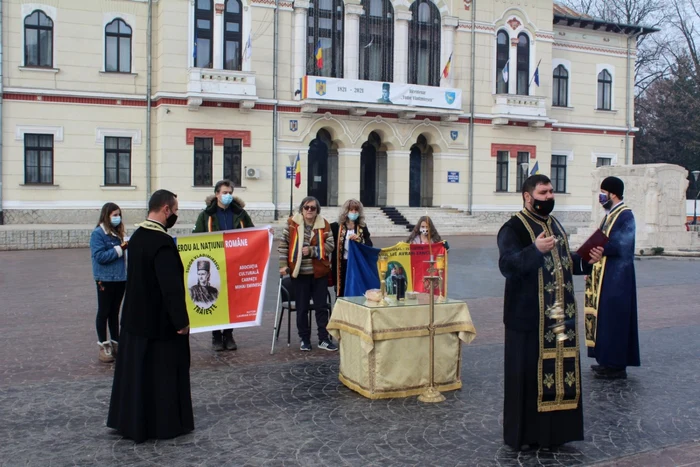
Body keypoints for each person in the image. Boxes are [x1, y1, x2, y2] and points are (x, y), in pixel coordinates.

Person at [497, 174, 604, 451]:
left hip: (559, 317)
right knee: (528, 379)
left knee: (560, 376)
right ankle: (528, 436)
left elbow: (564, 261)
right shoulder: (513, 228)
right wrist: (534, 250)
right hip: (528, 319)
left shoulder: (554, 224)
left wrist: (586, 261)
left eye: (551, 192)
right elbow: (507, 266)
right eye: (543, 192)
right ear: (527, 196)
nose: (549, 197)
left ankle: (556, 434)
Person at [107, 189, 194, 443]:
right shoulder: (162, 242)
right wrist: (181, 321)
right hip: (159, 325)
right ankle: (162, 424)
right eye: (175, 210)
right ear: (166, 209)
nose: (176, 215)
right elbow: (171, 288)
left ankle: (132, 422)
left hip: (134, 319)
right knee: (161, 377)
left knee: (136, 377)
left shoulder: (137, 237)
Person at [585, 176, 640, 380]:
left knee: (615, 318)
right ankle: (605, 360)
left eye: (603, 193)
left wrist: (600, 249)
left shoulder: (625, 216)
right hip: (605, 273)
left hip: (618, 276)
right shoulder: (609, 215)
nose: (601, 197)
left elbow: (623, 245)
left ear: (612, 193)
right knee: (604, 318)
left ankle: (617, 365)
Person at [193, 179, 254, 351]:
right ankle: (216, 336)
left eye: (230, 193)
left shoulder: (240, 213)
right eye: (224, 192)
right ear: (217, 194)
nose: (227, 196)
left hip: (235, 262)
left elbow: (252, 232)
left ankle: (228, 334)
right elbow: (197, 236)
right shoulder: (206, 215)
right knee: (215, 298)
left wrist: (265, 234)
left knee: (232, 300)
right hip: (214, 263)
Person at [278, 196, 337, 352]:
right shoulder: (292, 223)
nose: (309, 210)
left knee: (321, 307)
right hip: (300, 273)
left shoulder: (324, 224)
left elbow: (330, 245)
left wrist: (312, 251)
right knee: (302, 308)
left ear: (317, 210)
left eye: (313, 208)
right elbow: (284, 245)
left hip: (319, 273)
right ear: (301, 209)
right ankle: (304, 339)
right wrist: (283, 265)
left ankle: (323, 339)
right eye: (307, 207)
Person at [90, 202, 128, 363]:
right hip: (105, 279)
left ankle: (116, 342)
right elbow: (100, 256)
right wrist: (120, 249)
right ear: (106, 216)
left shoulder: (118, 232)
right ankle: (103, 345)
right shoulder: (98, 234)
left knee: (114, 312)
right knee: (104, 311)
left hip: (120, 278)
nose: (117, 218)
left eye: (119, 215)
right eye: (114, 215)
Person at [330, 198, 373, 298]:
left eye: (356, 210)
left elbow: (369, 244)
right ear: (346, 211)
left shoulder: (362, 227)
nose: (354, 212)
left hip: (356, 265)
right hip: (342, 264)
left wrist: (360, 240)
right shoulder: (336, 226)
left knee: (356, 292)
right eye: (351, 210)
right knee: (341, 292)